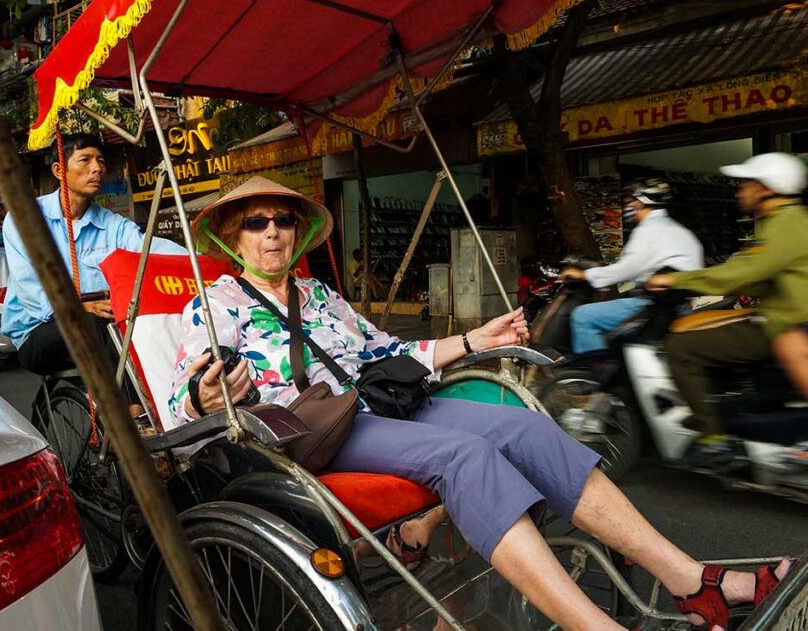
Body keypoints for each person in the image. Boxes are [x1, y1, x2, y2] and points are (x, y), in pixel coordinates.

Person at [169, 176, 786, 631]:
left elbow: (391, 350)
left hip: (388, 399)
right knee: (466, 455)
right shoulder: (215, 303)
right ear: (233, 236)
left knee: (529, 428)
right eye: (257, 222)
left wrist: (474, 341)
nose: (273, 231)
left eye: (281, 219)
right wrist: (207, 392)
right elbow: (187, 394)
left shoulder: (319, 294)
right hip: (315, 428)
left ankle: (692, 580)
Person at [647, 152, 808, 460]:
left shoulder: (784, 225)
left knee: (681, 347)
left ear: (765, 188)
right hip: (784, 318)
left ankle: (713, 437)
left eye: (746, 183)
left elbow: (743, 272)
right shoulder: (791, 219)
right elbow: (762, 276)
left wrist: (675, 281)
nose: (739, 190)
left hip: (785, 325)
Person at [2, 134, 184, 374]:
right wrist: (81, 307)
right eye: (85, 160)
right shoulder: (25, 217)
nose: (97, 168)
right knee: (95, 323)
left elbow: (150, 248)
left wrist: (204, 259)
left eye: (100, 161)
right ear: (59, 170)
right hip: (37, 332)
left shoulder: (113, 225)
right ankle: (128, 408)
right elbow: (32, 288)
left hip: (99, 332)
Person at [561, 178, 703, 353]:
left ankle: (592, 370)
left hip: (654, 307)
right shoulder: (681, 231)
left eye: (630, 200)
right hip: (680, 306)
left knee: (583, 316)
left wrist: (584, 275)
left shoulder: (648, 230)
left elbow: (626, 269)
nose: (628, 205)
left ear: (642, 202)